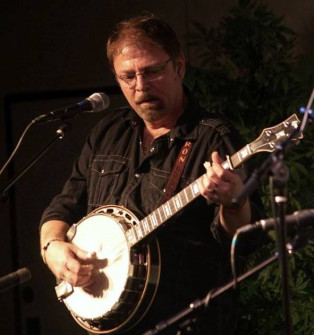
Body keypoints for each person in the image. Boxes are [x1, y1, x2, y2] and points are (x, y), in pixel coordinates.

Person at [39, 13, 265, 335]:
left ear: (179, 67)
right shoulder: (107, 132)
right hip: (112, 324)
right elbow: (63, 207)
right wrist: (53, 249)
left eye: (151, 72)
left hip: (186, 324)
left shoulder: (215, 139)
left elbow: (245, 240)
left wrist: (232, 202)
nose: (140, 86)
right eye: (127, 77)